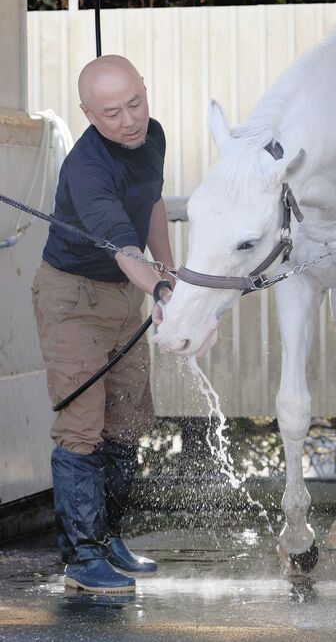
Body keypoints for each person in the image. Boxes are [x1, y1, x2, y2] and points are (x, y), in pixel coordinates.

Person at [31, 55, 174, 594]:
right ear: (89, 115)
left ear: (145, 90)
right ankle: (81, 559)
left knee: (127, 420)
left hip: (125, 295)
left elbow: (152, 202)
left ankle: (109, 537)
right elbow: (122, 243)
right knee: (82, 426)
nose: (129, 120)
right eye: (111, 113)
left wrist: (170, 273)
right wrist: (157, 286)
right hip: (74, 297)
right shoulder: (87, 168)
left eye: (135, 103)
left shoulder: (152, 137)